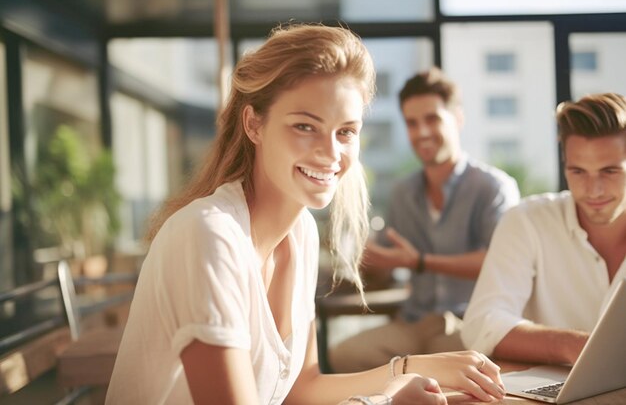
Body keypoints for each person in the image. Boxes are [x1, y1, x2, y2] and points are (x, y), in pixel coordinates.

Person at [105, 24, 505, 404]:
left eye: (346, 131)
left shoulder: (301, 234)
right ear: (254, 125)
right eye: (305, 126)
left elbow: (302, 389)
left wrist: (411, 368)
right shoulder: (208, 234)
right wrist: (382, 398)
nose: (331, 153)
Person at [329, 67, 520, 373]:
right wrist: (371, 263)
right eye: (412, 123)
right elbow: (390, 268)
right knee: (345, 354)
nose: (421, 132)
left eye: (432, 119)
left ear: (457, 118)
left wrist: (420, 262)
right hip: (413, 323)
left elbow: (499, 263)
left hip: (469, 323)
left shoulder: (494, 187)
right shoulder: (404, 193)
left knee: (455, 358)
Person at [461, 92, 626, 365]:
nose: (593, 190)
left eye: (610, 172)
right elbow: (481, 324)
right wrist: (576, 346)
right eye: (578, 172)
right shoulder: (526, 221)